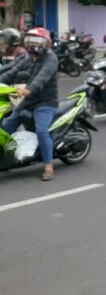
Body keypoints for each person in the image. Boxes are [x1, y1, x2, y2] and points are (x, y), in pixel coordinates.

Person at [0, 28, 59, 181]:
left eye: (36, 42)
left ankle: (48, 166)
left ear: (46, 43)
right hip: (28, 101)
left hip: (45, 102)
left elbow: (42, 78)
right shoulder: (29, 58)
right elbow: (12, 71)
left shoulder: (50, 59)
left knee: (42, 132)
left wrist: (28, 90)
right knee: (6, 126)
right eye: (30, 42)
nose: (32, 46)